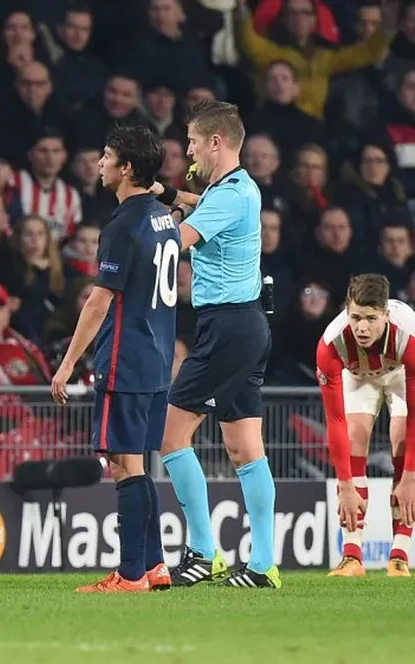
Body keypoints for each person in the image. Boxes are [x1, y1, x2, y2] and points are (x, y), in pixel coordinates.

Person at [156, 100, 278, 589]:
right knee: (244, 446)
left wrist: (146, 218)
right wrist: (172, 196)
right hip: (244, 325)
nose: (187, 152)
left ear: (215, 142)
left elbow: (176, 241)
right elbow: (189, 206)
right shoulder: (231, 190)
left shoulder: (229, 196)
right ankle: (265, 564)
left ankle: (205, 553)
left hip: (227, 328)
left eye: (190, 142)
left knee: (170, 435)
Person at [50, 125, 177, 593]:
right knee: (138, 462)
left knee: (125, 465)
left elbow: (99, 302)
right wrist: (161, 187)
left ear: (126, 168)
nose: (98, 164)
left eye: (106, 156)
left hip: (125, 358)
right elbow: (188, 204)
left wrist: (67, 364)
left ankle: (130, 575)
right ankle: (155, 565)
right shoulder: (163, 216)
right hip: (158, 359)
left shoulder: (122, 225)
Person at [316, 274, 415, 578]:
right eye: (355, 317)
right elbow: (334, 419)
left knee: (400, 440)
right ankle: (352, 557)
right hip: (359, 376)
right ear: (347, 310)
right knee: (354, 436)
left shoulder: (408, 338)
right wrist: (344, 485)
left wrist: (411, 476)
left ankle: (399, 556)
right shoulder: (331, 345)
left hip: (399, 374)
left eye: (371, 318)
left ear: (386, 315)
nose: (361, 327)